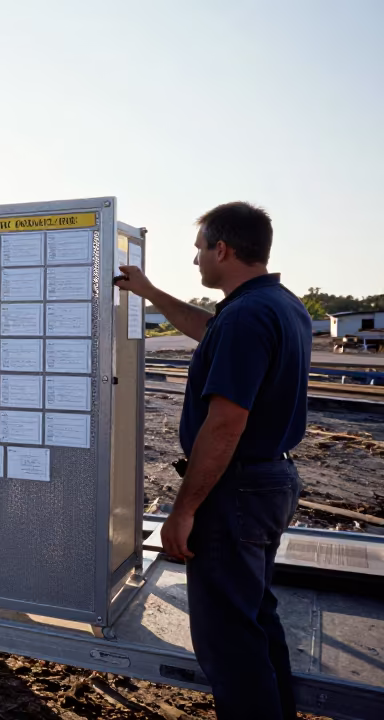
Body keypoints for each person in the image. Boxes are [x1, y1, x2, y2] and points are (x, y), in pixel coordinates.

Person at [116, 202, 311, 719]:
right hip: (268, 482)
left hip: (237, 491)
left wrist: (182, 511)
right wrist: (150, 292)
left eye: (200, 248)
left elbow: (224, 426)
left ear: (221, 249)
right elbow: (209, 330)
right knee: (253, 619)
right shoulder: (277, 305)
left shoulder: (247, 316)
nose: (196, 258)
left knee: (228, 643)